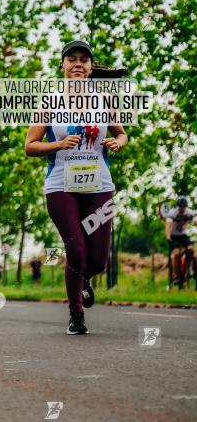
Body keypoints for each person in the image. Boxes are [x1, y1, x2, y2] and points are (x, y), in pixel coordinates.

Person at [25, 40, 128, 335]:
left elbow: (121, 135)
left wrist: (116, 142)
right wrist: (58, 144)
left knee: (97, 259)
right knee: (77, 251)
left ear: (91, 67)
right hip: (61, 186)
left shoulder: (104, 101)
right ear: (63, 66)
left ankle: (84, 280)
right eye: (72, 59)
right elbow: (30, 146)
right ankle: (76, 314)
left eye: (84, 59)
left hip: (99, 184)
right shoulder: (49, 103)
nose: (78, 64)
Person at [159, 196, 195, 287]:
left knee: (191, 250)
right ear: (178, 206)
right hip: (173, 236)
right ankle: (176, 276)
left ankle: (191, 270)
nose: (182, 209)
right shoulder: (172, 213)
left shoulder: (190, 212)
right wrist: (168, 237)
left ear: (186, 206)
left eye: (184, 207)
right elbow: (168, 225)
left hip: (183, 235)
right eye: (180, 207)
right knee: (176, 253)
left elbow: (195, 221)